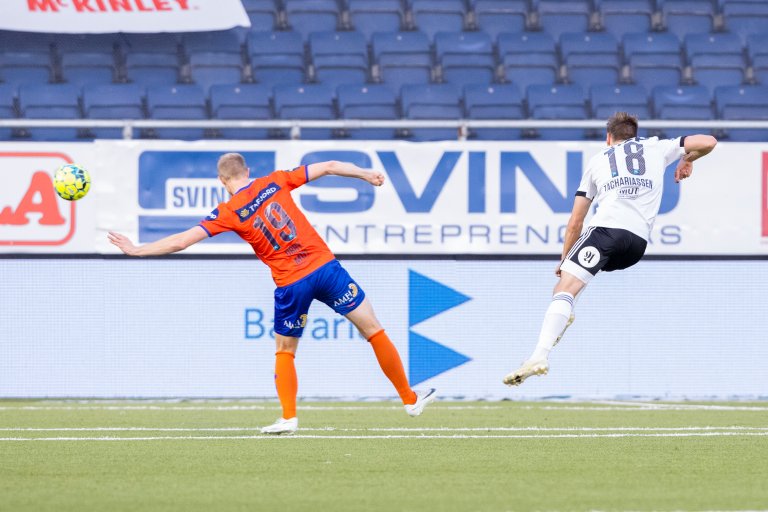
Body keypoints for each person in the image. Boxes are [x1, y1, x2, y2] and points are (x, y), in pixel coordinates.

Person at [109, 154, 436, 434]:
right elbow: (330, 165)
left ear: (222, 180)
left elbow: (181, 241)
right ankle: (408, 398)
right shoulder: (276, 181)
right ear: (247, 172)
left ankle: (289, 417)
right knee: (373, 329)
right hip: (325, 268)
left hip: (291, 282)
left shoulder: (228, 211)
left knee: (286, 350)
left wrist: (138, 250)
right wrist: (365, 174)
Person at [503, 112, 717, 387]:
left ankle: (538, 356)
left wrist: (565, 259)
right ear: (634, 134)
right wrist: (687, 159)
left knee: (564, 288)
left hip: (607, 231)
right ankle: (566, 312)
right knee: (577, 284)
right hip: (636, 246)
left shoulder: (597, 161)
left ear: (609, 138)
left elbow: (575, 222)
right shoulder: (657, 147)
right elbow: (709, 141)